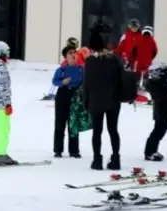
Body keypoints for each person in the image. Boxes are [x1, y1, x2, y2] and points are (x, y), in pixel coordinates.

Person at [84, 28, 125, 170]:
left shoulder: (89, 62)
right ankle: (115, 158)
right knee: (113, 130)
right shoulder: (114, 60)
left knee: (97, 131)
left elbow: (87, 84)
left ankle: (97, 160)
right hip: (113, 100)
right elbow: (121, 79)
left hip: (95, 101)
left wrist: (86, 101)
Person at [51, 48, 83, 158]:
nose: (73, 55)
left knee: (73, 123)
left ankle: (74, 150)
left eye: (75, 53)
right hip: (62, 95)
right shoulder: (61, 69)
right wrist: (62, 82)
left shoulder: (81, 69)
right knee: (60, 122)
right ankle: (58, 150)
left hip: (75, 96)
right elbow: (54, 81)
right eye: (70, 53)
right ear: (66, 57)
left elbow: (85, 82)